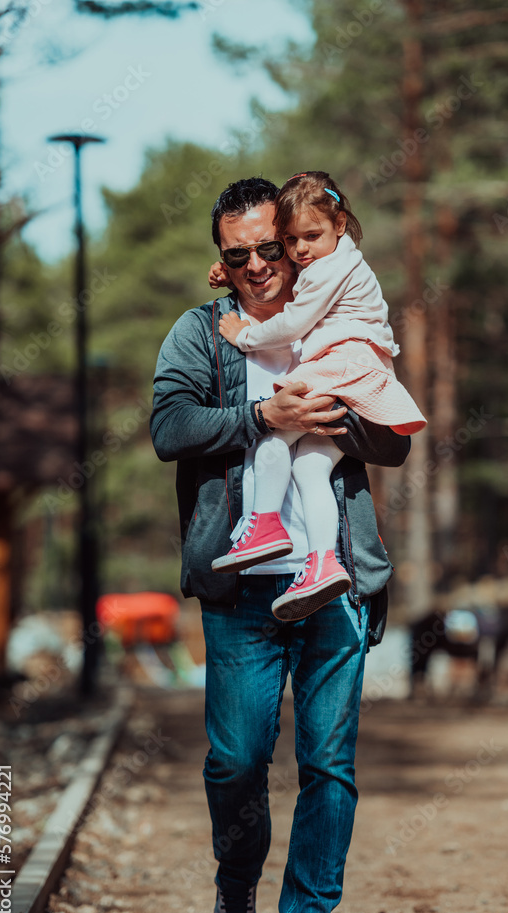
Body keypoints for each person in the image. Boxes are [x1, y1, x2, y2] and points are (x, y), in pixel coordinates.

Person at [150, 177, 411, 913]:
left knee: (327, 766)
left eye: (272, 247)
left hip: (334, 585)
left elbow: (394, 443)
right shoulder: (202, 334)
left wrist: (332, 416)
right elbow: (169, 428)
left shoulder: (337, 317)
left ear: (298, 244)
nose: (260, 264)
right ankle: (236, 882)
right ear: (220, 262)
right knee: (236, 762)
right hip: (241, 591)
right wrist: (264, 418)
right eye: (240, 256)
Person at [209, 171, 425, 624]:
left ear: (340, 224)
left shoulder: (329, 269)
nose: (300, 250)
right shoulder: (336, 260)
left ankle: (264, 526)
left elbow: (292, 321)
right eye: (290, 240)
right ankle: (323, 563)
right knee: (310, 467)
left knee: (273, 437)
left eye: (309, 237)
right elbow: (274, 283)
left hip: (340, 367)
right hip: (354, 370)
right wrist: (228, 276)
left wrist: (244, 335)